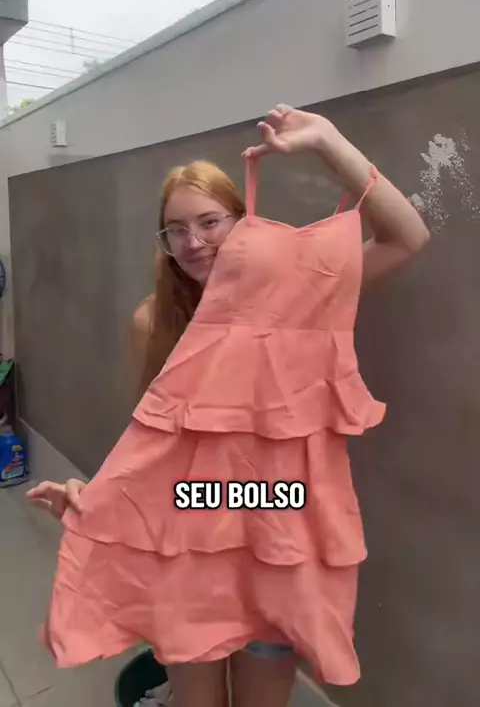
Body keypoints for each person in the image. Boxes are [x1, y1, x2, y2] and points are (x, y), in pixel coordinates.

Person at [28, 104, 429, 707]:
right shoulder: (153, 321)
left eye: (210, 222)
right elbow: (153, 446)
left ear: (244, 223)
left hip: (276, 538)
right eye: (176, 229)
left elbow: (406, 237)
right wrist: (97, 501)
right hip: (191, 541)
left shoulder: (304, 295)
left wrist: (328, 140)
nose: (194, 242)